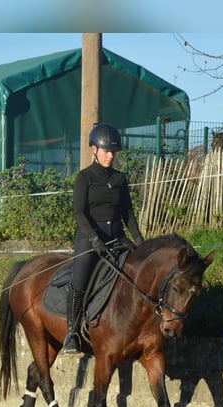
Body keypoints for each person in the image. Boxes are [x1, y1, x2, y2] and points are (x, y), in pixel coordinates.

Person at [63, 122, 144, 354]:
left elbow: (127, 212)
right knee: (79, 278)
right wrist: (94, 237)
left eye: (113, 151)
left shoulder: (120, 179)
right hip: (90, 237)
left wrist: (139, 239)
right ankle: (71, 330)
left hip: (117, 235)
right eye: (106, 150)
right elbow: (79, 212)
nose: (111, 155)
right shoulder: (84, 178)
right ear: (94, 150)